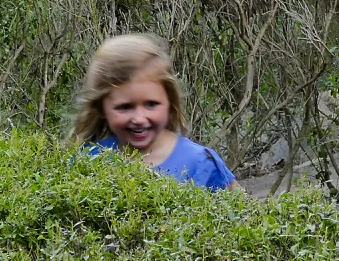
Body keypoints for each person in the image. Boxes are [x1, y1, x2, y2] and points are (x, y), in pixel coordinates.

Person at [74, 34, 239, 191]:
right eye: (124, 107)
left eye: (151, 104)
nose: (139, 119)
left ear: (169, 101)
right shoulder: (88, 159)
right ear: (101, 108)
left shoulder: (201, 163)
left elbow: (249, 215)